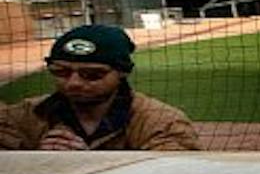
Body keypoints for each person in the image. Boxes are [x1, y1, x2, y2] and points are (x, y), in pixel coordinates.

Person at [0, 24, 199, 152]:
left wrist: (91, 164)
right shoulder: (19, 117)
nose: (74, 82)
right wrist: (36, 161)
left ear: (122, 72)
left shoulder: (162, 122)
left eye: (92, 75)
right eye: (61, 72)